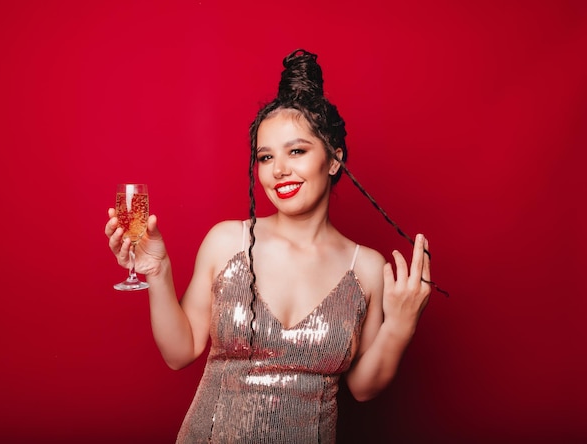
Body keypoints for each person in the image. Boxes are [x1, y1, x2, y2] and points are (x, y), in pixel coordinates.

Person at [105, 49, 432, 443]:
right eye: (265, 156)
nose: (278, 170)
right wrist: (158, 272)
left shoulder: (366, 267)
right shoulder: (227, 241)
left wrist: (400, 323)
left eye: (297, 151)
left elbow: (363, 387)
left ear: (333, 160)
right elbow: (180, 353)